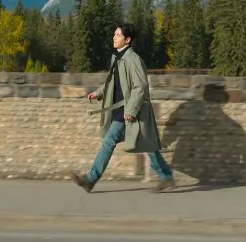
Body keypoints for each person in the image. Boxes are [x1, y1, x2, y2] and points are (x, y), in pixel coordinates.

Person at [69, 22, 175, 193]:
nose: (114, 37)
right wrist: (98, 93)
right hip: (120, 109)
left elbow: (140, 87)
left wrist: (131, 110)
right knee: (143, 145)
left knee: (136, 144)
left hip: (132, 110)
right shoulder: (117, 58)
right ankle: (166, 176)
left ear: (127, 39)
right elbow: (112, 83)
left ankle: (91, 179)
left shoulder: (133, 60)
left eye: (118, 35)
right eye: (114, 34)